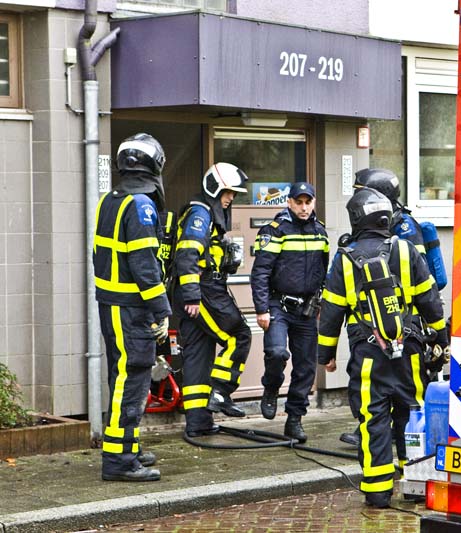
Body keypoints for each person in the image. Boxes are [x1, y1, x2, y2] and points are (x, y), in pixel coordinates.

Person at [317, 187, 448, 508]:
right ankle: (414, 483)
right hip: (410, 350)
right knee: (411, 411)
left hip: (367, 355)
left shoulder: (345, 260)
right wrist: (441, 338)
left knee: (372, 416)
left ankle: (377, 490)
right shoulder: (406, 250)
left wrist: (326, 356)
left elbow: (331, 311)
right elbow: (429, 299)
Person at [339, 168, 446, 447]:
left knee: (405, 395)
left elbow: (422, 282)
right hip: (372, 324)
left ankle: (398, 445)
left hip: (401, 322)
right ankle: (381, 435)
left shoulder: (404, 228)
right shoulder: (387, 225)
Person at [93, 133, 171, 481]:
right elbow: (145, 265)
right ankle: (120, 462)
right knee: (133, 378)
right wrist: (161, 308)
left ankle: (127, 447)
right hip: (132, 309)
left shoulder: (109, 200)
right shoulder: (140, 205)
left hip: (111, 305)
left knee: (121, 376)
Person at [172, 163, 252, 437]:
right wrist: (193, 295)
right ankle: (221, 391)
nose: (231, 198)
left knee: (198, 354)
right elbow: (187, 255)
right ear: (215, 188)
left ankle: (198, 422)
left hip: (197, 291)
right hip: (202, 292)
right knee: (239, 334)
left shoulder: (204, 214)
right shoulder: (200, 214)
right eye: (228, 193)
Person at [251, 182, 329, 443]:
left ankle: (294, 419)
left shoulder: (321, 233)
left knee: (306, 368)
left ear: (314, 203)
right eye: (299, 202)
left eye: (308, 202)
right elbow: (260, 272)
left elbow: (324, 274)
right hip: (278, 305)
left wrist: (321, 306)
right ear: (290, 203)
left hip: (307, 308)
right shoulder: (275, 231)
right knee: (276, 352)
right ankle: (271, 387)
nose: (304, 207)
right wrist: (261, 309)